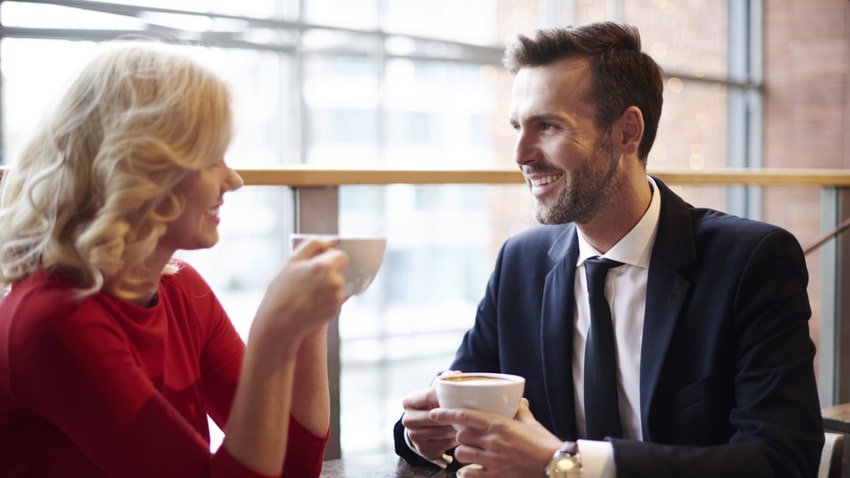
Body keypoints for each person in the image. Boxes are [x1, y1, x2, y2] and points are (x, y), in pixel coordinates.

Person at [393, 21, 823, 478]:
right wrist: (422, 435)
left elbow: (781, 460)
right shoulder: (520, 263)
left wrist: (566, 464)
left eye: (548, 126)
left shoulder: (752, 262)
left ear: (626, 133)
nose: (520, 153)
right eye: (518, 126)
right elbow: (453, 403)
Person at [0, 42, 350, 478]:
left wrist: (309, 320)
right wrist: (273, 333)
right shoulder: (55, 319)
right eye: (211, 159)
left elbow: (294, 467)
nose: (234, 180)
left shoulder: (182, 290)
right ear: (141, 168)